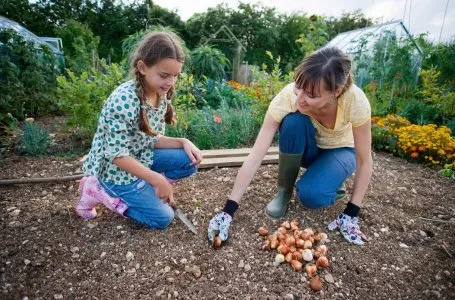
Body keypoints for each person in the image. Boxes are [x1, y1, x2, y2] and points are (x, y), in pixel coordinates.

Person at [208, 47, 372, 245]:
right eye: (298, 87)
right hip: (310, 150)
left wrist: (352, 212)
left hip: (341, 150)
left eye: (311, 94)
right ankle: (284, 192)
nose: (299, 98)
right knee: (293, 121)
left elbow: (364, 160)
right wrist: (229, 209)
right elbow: (256, 154)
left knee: (311, 196)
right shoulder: (288, 98)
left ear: (336, 91)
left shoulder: (354, 101)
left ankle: (331, 179)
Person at [76, 31, 203, 229]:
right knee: (163, 219)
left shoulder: (159, 93)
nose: (171, 82)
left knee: (190, 162)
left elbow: (149, 139)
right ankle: (99, 189)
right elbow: (116, 155)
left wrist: (182, 142)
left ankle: (143, 186)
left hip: (139, 156)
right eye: (164, 75)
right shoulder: (123, 101)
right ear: (142, 67)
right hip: (115, 170)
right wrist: (156, 179)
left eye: (176, 76)